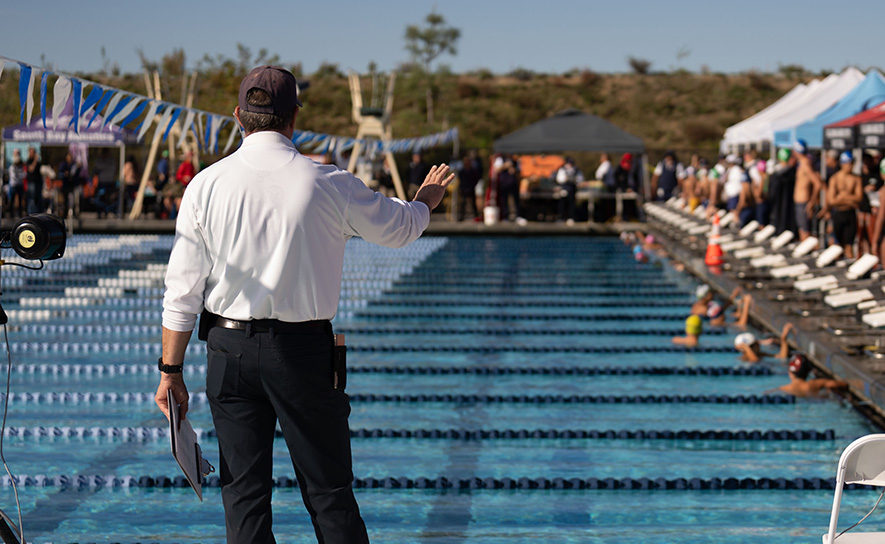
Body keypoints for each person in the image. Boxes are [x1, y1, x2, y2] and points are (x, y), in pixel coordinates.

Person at [155, 65, 454, 544]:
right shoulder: (329, 182)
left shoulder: (204, 186)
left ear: (238, 116)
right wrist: (425, 200)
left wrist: (170, 372)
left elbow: (182, 290)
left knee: (244, 498)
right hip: (302, 355)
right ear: (294, 117)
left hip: (227, 352)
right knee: (328, 493)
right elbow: (401, 230)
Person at [820, 151, 862, 259]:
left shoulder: (856, 178)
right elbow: (832, 201)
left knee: (849, 246)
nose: (851, 166)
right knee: (836, 245)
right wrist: (851, 200)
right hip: (838, 213)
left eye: (853, 163)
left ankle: (850, 266)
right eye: (849, 163)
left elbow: (859, 198)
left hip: (850, 214)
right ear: (843, 164)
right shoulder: (835, 178)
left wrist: (842, 197)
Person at [770, 353, 848, 398]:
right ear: (808, 371)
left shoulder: (782, 389)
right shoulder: (814, 384)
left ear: (790, 372)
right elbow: (841, 384)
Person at [792, 140, 823, 241]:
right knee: (802, 231)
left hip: (804, 203)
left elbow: (817, 183)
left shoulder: (805, 163)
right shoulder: (802, 163)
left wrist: (811, 202)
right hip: (801, 203)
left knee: (805, 234)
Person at [768, 148, 797, 235]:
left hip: (778, 205)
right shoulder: (791, 172)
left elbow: (771, 192)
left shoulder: (775, 172)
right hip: (786, 205)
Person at [555, 157, 583, 225]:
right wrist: (566, 179)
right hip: (564, 189)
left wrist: (575, 180)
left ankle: (571, 218)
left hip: (572, 189)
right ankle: (562, 217)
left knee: (571, 204)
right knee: (562, 204)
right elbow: (560, 179)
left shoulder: (576, 170)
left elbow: (580, 179)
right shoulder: (562, 170)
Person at [457, 149, 482, 221]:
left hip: (471, 188)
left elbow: (476, 178)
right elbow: (460, 179)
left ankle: (476, 216)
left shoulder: (473, 171)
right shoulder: (462, 171)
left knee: (473, 203)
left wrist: (472, 185)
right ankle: (461, 217)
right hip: (464, 189)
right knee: (463, 203)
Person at [24, 146, 44, 215]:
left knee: (39, 200)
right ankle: (31, 214)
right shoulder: (28, 161)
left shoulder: (38, 163)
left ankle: (38, 214)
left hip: (38, 183)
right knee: (32, 200)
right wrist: (35, 160)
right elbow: (31, 169)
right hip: (31, 183)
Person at [6, 149, 26, 218]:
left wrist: (20, 176)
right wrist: (20, 176)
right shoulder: (12, 167)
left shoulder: (21, 166)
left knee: (20, 201)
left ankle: (20, 214)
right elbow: (14, 176)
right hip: (13, 185)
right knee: (12, 200)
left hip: (19, 185)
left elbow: (24, 174)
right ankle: (11, 215)